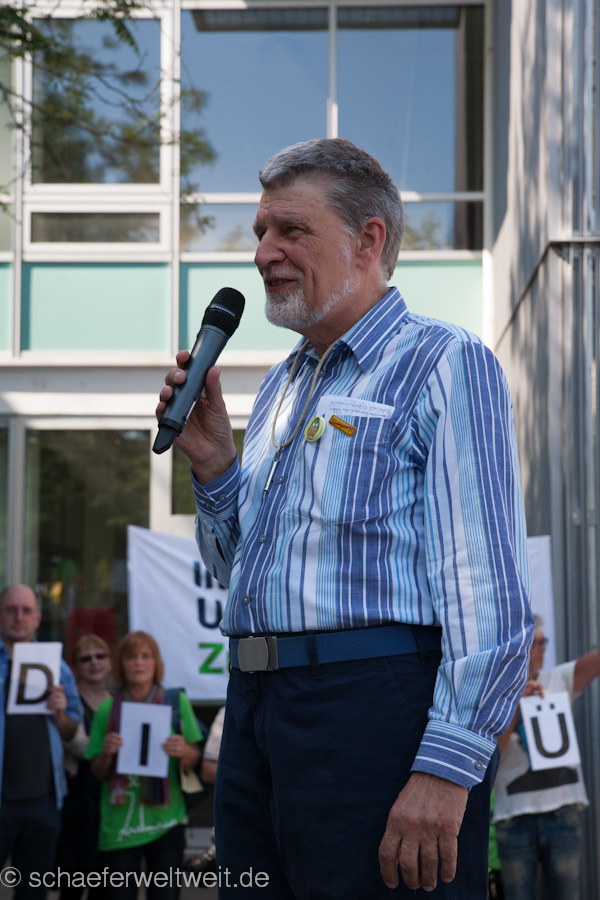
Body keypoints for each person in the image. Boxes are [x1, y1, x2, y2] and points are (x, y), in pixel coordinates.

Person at [157, 138, 533, 898]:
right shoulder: (280, 389)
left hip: (374, 716)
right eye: (260, 232)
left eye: (290, 230)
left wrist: (447, 768)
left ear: (369, 240)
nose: (262, 253)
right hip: (255, 717)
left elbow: (483, 584)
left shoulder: (444, 362)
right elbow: (242, 577)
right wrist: (217, 468)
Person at [86, 630, 203, 900]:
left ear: (156, 663)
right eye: (131, 657)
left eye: (145, 656)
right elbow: (96, 772)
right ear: (121, 665)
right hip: (119, 828)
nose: (139, 663)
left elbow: (195, 758)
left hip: (167, 825)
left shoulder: (176, 703)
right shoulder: (106, 709)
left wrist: (182, 750)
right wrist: (107, 754)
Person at [493, 615, 600, 900]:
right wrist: (516, 705)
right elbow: (493, 756)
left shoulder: (557, 678)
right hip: (513, 815)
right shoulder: (497, 695)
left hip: (563, 811)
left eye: (543, 642)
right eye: (534, 643)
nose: (541, 650)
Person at [0, 583, 82, 900]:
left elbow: (72, 732)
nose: (19, 617)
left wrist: (61, 715)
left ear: (37, 618)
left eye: (26, 611)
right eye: (11, 610)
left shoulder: (57, 668)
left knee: (33, 893)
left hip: (44, 801)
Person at [55, 634, 113, 899]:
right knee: (73, 883)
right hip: (76, 802)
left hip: (109, 802)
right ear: (75, 667)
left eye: (100, 656)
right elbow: (77, 745)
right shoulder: (68, 702)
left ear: (110, 663)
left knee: (104, 884)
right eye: (86, 659)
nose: (94, 662)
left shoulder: (117, 702)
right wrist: (112, 753)